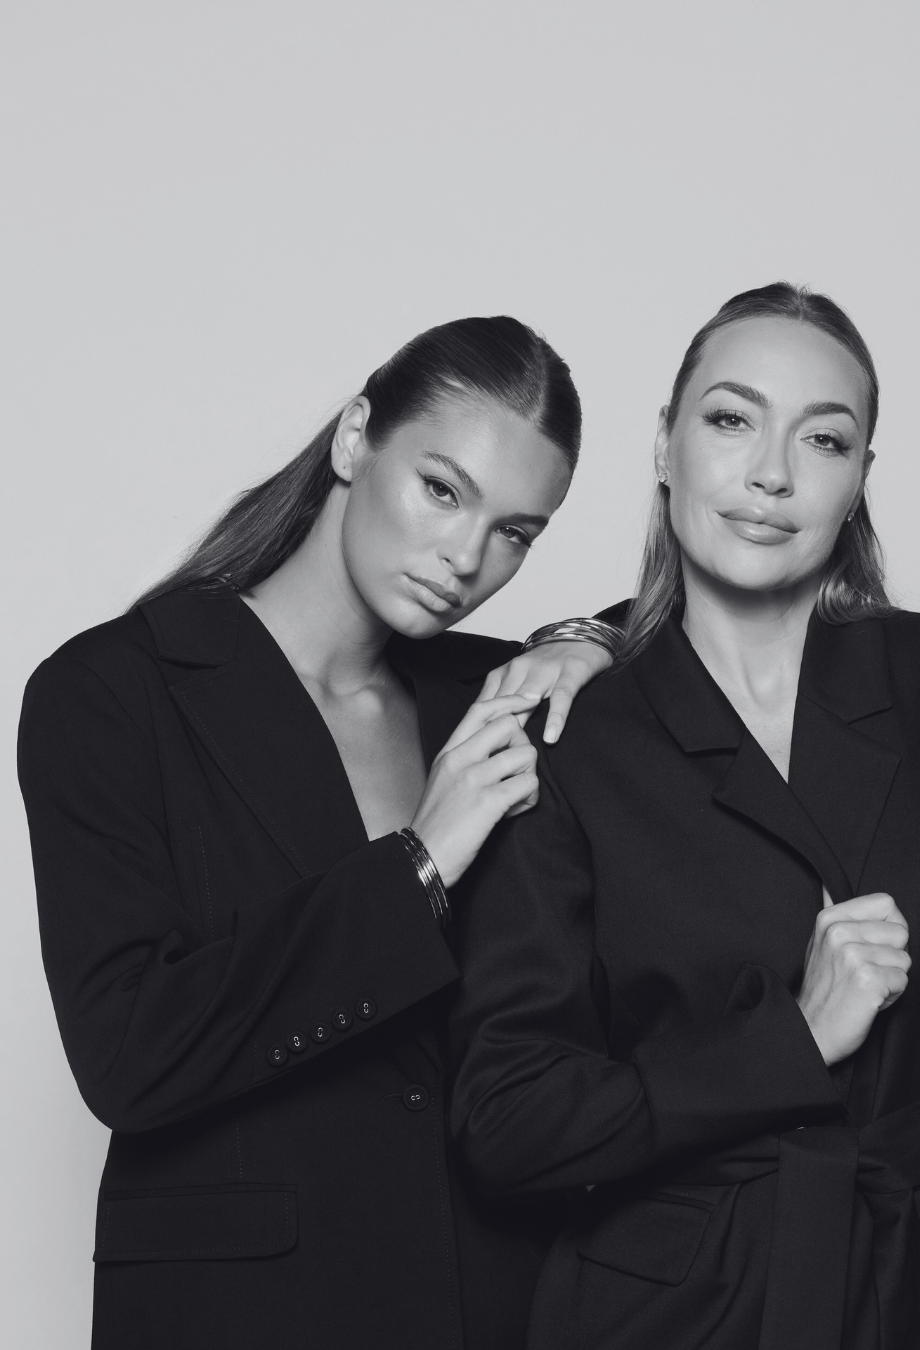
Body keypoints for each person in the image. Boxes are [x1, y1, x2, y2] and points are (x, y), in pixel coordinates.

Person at [449, 284, 920, 1350]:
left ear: (861, 476)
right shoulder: (565, 733)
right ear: (665, 444)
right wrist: (790, 1039)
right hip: (680, 1307)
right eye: (732, 419)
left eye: (823, 439)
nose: (772, 474)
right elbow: (509, 1122)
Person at [17, 315, 622, 1350]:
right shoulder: (113, 693)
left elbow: (712, 625)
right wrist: (420, 865)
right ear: (353, 439)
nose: (466, 556)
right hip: (244, 1311)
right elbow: (127, 1053)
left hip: (490, 1303)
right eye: (443, 490)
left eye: (516, 533)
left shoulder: (491, 696)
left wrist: (589, 636)